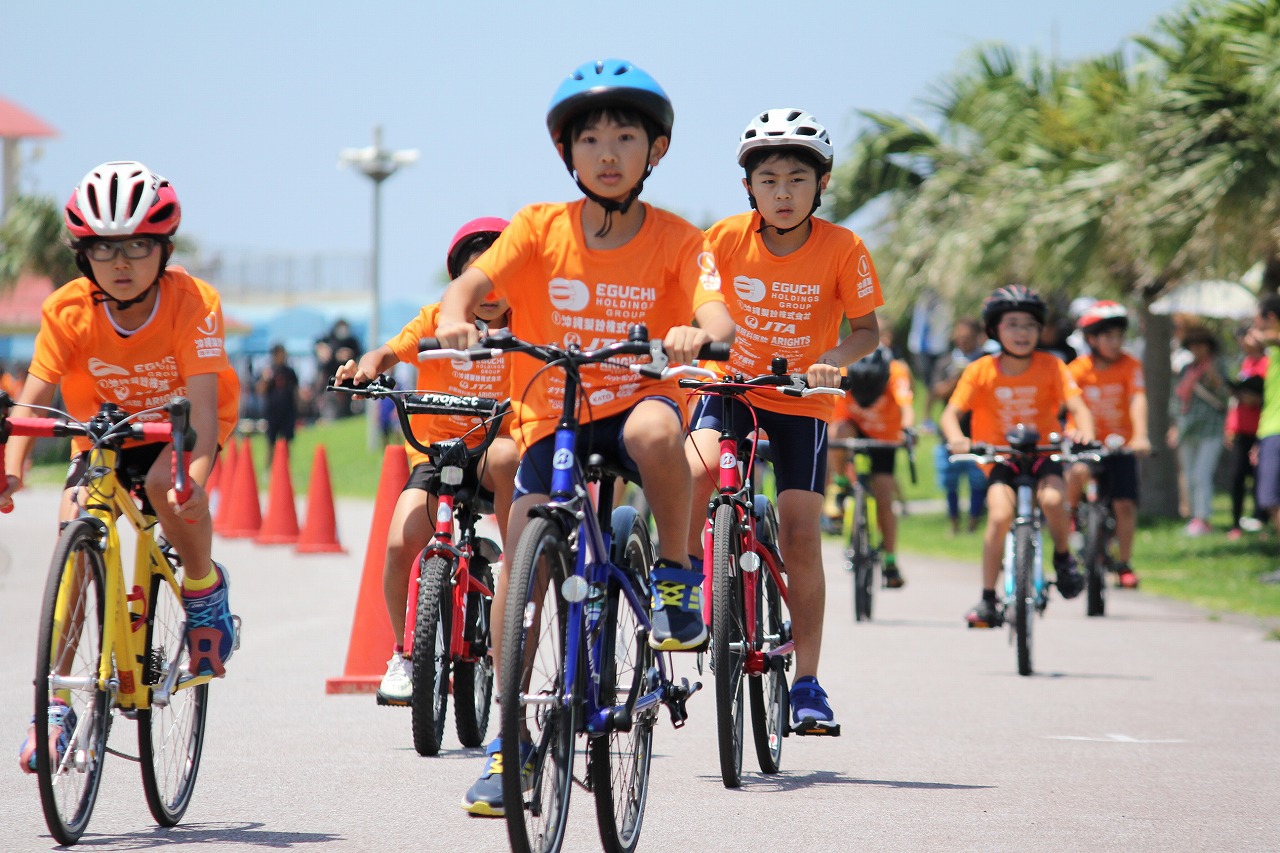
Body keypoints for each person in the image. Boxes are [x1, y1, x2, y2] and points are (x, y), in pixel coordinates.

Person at [433, 59, 733, 815]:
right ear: (567, 153)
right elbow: (472, 285)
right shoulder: (538, 227)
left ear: (654, 150)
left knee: (660, 427)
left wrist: (699, 335)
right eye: (590, 137)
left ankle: (673, 570)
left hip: (634, 399)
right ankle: (511, 744)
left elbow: (717, 312)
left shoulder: (678, 237)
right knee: (522, 568)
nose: (606, 151)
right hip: (554, 409)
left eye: (625, 136)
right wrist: (452, 318)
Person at [2, 161, 240, 772]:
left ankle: (203, 589)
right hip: (102, 435)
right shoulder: (67, 310)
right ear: (84, 255)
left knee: (167, 486)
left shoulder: (192, 301)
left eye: (139, 245)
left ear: (163, 248)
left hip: (180, 426)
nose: (123, 262)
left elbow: (206, 418)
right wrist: (13, 465)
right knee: (75, 525)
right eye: (105, 249)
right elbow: (35, 395)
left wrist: (196, 481)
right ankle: (53, 707)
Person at [686, 107, 881, 735]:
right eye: (768, 179)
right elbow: (701, 300)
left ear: (821, 184)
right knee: (695, 467)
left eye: (798, 178)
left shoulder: (844, 248)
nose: (783, 192)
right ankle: (683, 587)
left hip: (802, 397)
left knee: (800, 533)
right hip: (732, 385)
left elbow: (867, 332)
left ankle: (808, 683)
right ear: (749, 187)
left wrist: (830, 361)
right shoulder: (721, 239)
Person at [334, 217, 518, 707]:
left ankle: (521, 570)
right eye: (477, 279)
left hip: (495, 456)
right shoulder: (438, 318)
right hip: (438, 455)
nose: (490, 292)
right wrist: (366, 368)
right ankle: (404, 654)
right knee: (400, 544)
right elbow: (388, 352)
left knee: (508, 454)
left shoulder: (532, 324)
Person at [940, 285, 1094, 628]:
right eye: (1012, 324)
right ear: (995, 329)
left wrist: (1084, 431)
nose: (1021, 332)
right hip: (1000, 459)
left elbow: (1078, 407)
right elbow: (951, 414)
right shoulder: (980, 370)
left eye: (1029, 325)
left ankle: (1064, 558)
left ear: (1040, 330)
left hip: (1044, 453)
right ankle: (987, 598)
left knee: (1054, 500)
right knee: (999, 516)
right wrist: (958, 439)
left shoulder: (1052, 365)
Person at [1064, 301, 1150, 589]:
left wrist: (1140, 436)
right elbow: (1068, 406)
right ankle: (1072, 517)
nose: (1116, 343)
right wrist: (1074, 432)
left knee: (1124, 504)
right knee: (1076, 474)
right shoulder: (1077, 369)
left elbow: (1137, 399)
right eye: (1108, 336)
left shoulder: (1130, 365)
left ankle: (1124, 564)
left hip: (1119, 444)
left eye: (1119, 336)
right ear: (1091, 339)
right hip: (1085, 443)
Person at [827, 344, 912, 588]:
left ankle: (890, 559)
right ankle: (841, 484)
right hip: (852, 429)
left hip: (885, 437)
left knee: (885, 497)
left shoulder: (897, 371)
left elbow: (907, 409)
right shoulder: (841, 370)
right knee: (837, 432)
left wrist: (908, 431)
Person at [1167, 326, 1229, 536]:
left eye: (1200, 344)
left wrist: (1215, 378)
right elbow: (1177, 399)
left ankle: (1203, 518)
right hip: (1187, 427)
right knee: (1190, 475)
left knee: (1202, 474)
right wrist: (1174, 426)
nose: (1196, 349)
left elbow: (1226, 397)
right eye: (1193, 345)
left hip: (1211, 429)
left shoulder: (1218, 366)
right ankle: (1195, 517)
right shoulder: (1186, 369)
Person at [929, 317, 989, 534]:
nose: (963, 341)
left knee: (978, 482)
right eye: (959, 337)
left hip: (979, 432)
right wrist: (958, 380)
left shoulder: (987, 362)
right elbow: (936, 391)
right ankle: (953, 522)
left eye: (968, 337)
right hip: (951, 435)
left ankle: (973, 522)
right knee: (950, 482)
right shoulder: (946, 362)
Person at [1247, 296, 1280, 583]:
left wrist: (1261, 337)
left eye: (1257, 319)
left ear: (1270, 317)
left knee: (1274, 499)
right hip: (1270, 432)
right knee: (1271, 500)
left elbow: (1265, 339)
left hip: (1277, 433)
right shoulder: (1271, 357)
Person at [1225, 328, 1268, 540]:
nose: (1243, 343)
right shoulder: (1245, 363)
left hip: (1262, 429)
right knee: (1236, 477)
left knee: (1262, 477)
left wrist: (1258, 400)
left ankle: (1262, 521)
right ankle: (1235, 523)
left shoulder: (1268, 362)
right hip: (1242, 429)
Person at [909, 287, 952, 430]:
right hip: (922, 349)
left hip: (938, 348)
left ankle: (928, 418)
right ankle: (926, 419)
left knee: (935, 385)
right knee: (930, 386)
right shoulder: (924, 299)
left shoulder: (945, 301)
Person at [257, 343, 300, 449]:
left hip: (288, 411)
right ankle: (270, 464)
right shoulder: (268, 371)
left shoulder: (290, 372)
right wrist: (265, 379)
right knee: (270, 442)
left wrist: (297, 408)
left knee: (287, 441)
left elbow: (295, 390)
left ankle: (285, 464)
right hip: (272, 412)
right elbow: (260, 390)